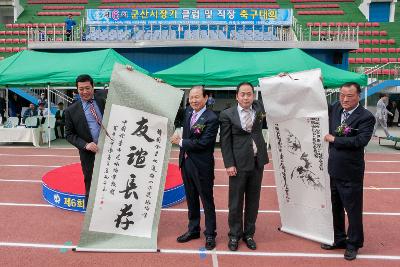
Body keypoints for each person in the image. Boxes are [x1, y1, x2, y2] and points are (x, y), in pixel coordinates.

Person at [322, 82, 375, 261]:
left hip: (351, 172)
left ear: (358, 96)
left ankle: (353, 244)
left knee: (352, 210)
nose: (344, 99)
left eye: (349, 96)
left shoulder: (366, 117)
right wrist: (314, 84)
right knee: (335, 208)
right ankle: (339, 239)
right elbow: (317, 103)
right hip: (333, 169)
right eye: (342, 95)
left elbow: (360, 141)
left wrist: (334, 139)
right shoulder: (336, 108)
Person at [219, 82, 269, 251]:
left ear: (253, 95)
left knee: (253, 202)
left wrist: (280, 79)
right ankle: (234, 235)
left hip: (257, 162)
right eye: (243, 94)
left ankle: (249, 234)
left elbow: (276, 96)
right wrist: (229, 164)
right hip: (238, 165)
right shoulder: (227, 115)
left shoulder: (259, 108)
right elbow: (225, 142)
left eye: (249, 94)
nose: (246, 97)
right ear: (237, 96)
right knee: (235, 202)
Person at [170, 85, 219, 250]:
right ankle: (193, 229)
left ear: (206, 98)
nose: (193, 100)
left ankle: (210, 233)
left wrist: (181, 142)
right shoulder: (188, 112)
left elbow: (204, 143)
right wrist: (160, 85)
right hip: (186, 163)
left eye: (197, 97)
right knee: (191, 199)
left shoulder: (211, 118)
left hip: (202, 166)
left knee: (207, 200)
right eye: (191, 97)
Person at [65, 74, 106, 207]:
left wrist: (128, 72)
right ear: (77, 89)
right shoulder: (71, 110)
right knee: (90, 182)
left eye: (87, 88)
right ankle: (90, 213)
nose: (85, 92)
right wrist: (86, 145)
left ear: (93, 87)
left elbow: (124, 91)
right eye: (81, 89)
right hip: (88, 153)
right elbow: (69, 134)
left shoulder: (104, 98)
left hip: (110, 148)